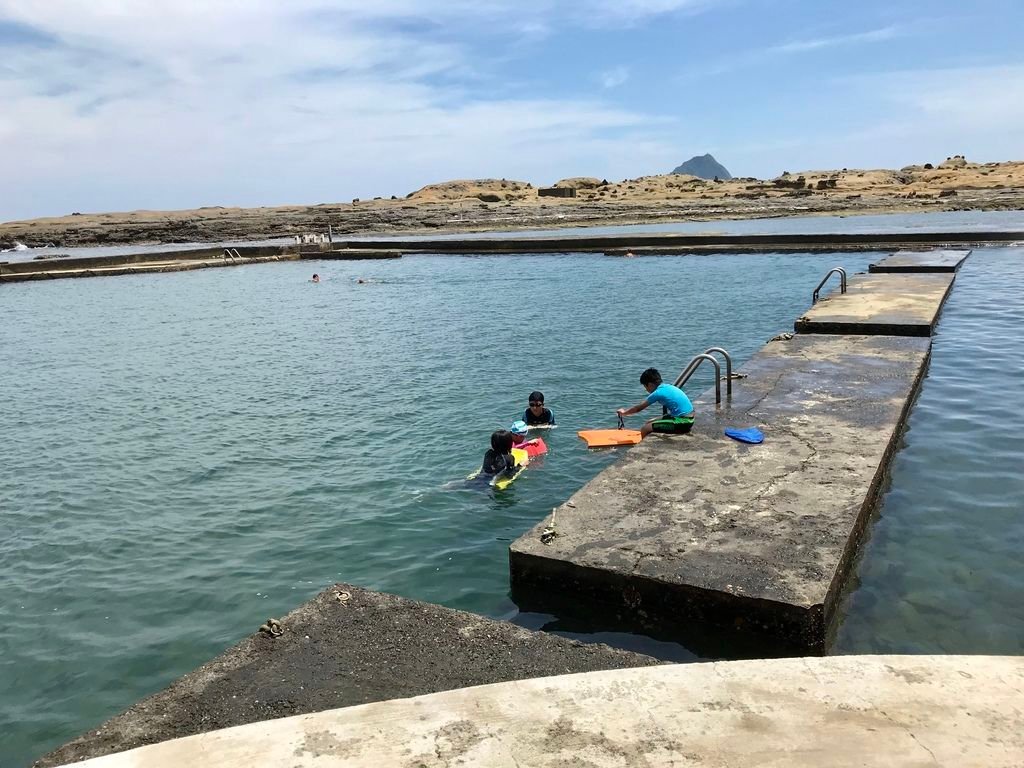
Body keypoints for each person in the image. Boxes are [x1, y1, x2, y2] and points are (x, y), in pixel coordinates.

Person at [616, 367, 694, 437]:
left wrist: (624, 413)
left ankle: (643, 449)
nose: (646, 389)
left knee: (645, 429)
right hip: (688, 419)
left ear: (649, 385)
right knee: (649, 422)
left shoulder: (658, 393)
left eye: (645, 387)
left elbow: (638, 408)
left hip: (683, 422)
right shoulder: (668, 386)